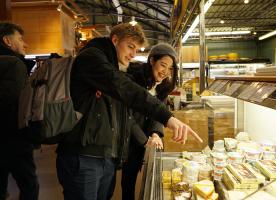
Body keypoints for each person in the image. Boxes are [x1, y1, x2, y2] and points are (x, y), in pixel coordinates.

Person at [56, 22, 202, 200]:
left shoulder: (116, 67)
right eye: (130, 46)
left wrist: (155, 132)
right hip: (83, 156)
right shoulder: (92, 58)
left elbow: (124, 108)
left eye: (137, 49)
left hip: (106, 155)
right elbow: (126, 91)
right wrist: (167, 119)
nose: (133, 54)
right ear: (115, 40)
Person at [121, 43, 178, 200]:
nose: (165, 72)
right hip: (125, 136)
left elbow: (158, 113)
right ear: (152, 61)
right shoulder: (133, 80)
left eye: (170, 68)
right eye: (162, 65)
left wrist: (155, 133)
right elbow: (126, 115)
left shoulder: (162, 87)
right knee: (122, 181)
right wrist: (144, 140)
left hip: (142, 139)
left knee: (132, 175)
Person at [0, 22, 39, 200]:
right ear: (7, 41)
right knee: (29, 185)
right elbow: (16, 104)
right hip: (13, 138)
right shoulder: (14, 64)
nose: (25, 44)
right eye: (20, 39)